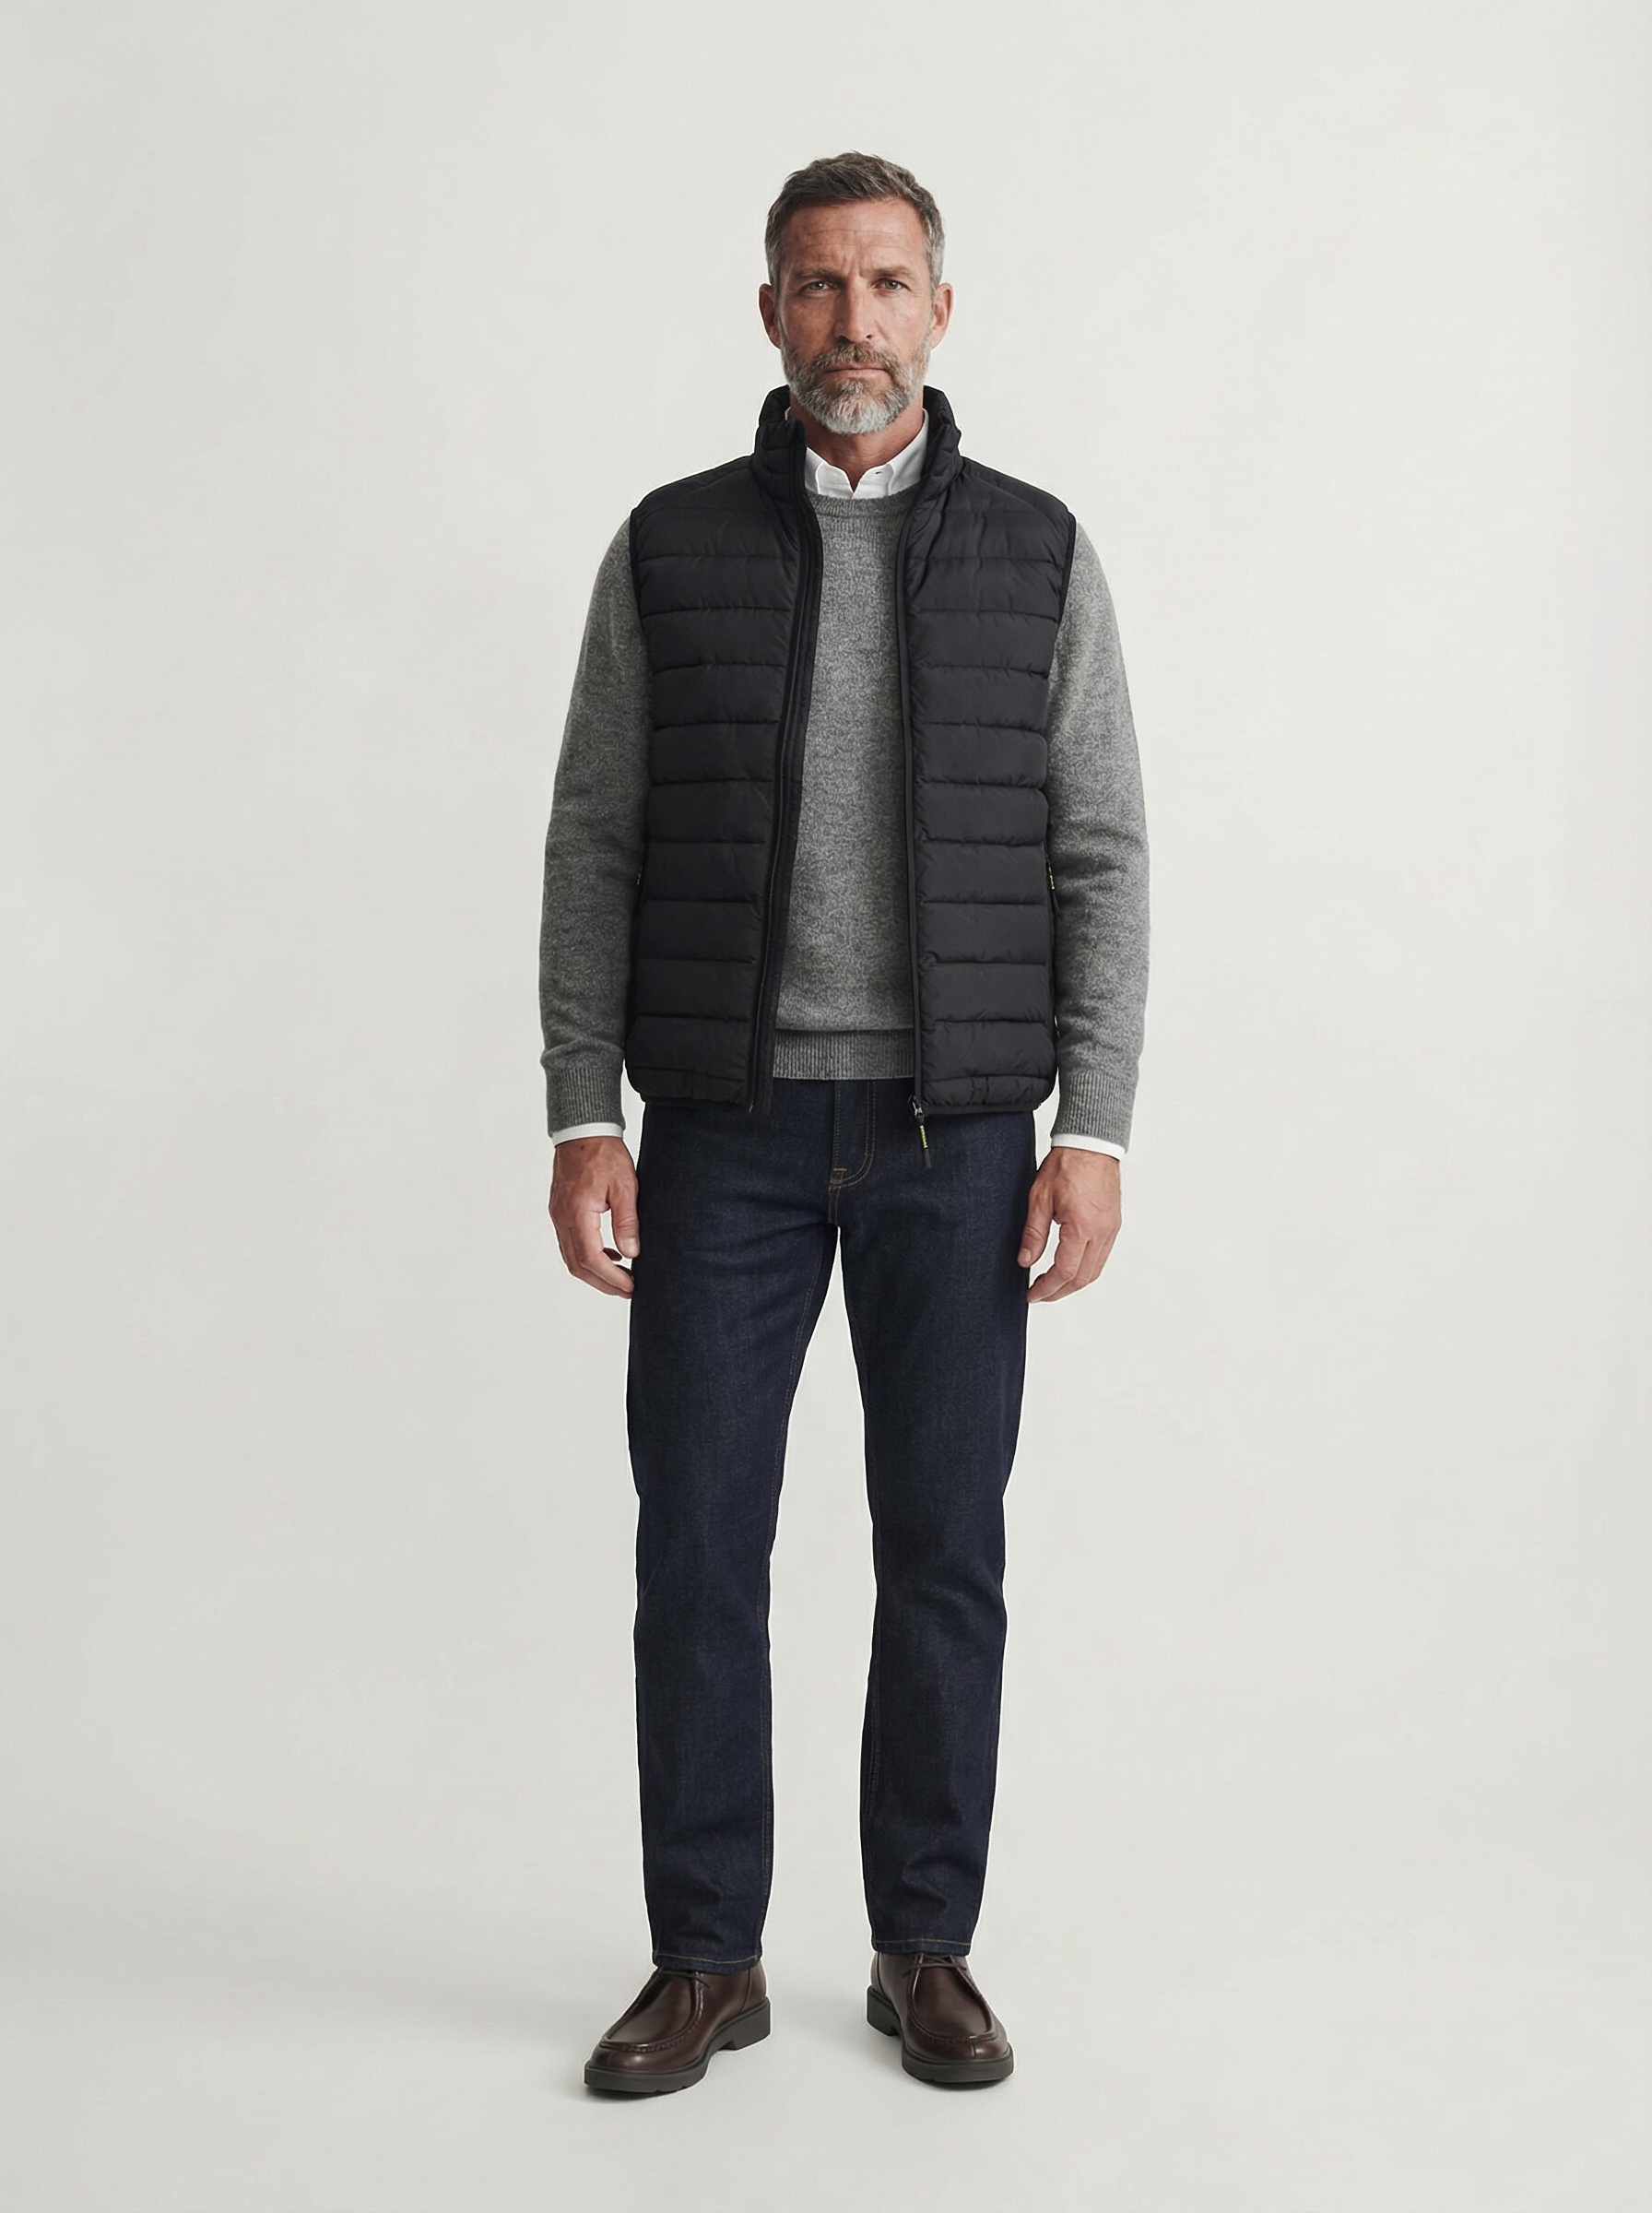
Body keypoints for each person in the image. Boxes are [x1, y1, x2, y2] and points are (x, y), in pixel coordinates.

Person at [539, 151, 1149, 2095]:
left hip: (957, 1140)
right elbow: (594, 837)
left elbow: (1099, 850)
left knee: (942, 1551)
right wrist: (580, 1108)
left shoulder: (1037, 552)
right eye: (817, 285)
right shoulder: (670, 547)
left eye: (886, 284)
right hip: (719, 1132)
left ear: (939, 311)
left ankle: (923, 1946)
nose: (852, 322)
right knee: (700, 1550)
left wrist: (1094, 1127)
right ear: (769, 313)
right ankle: (704, 1957)